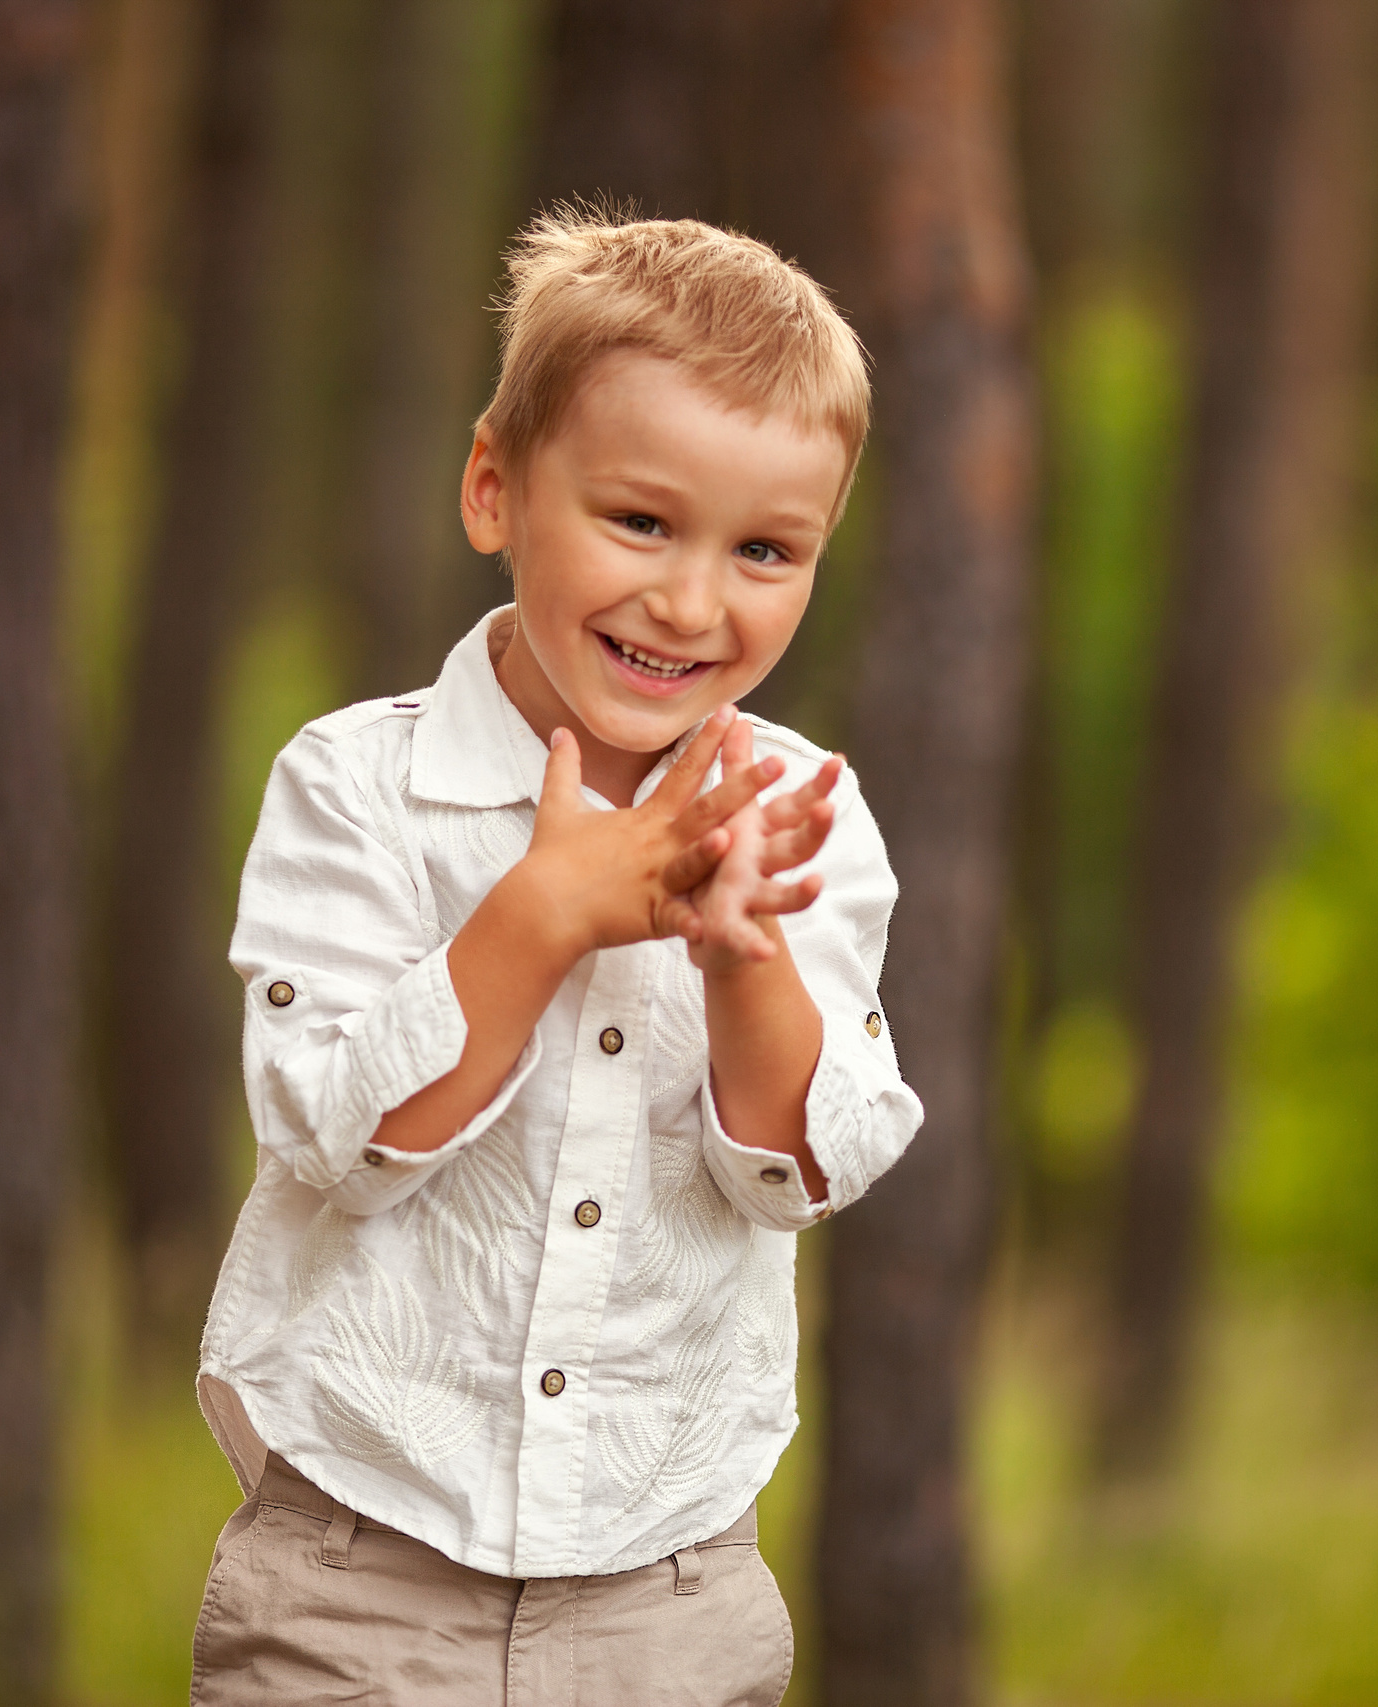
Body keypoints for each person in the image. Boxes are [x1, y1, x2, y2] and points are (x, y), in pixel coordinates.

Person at [189, 213, 924, 1706]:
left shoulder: (801, 824)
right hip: (362, 1567)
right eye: (642, 522)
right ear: (493, 488)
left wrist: (743, 961)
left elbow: (803, 1166)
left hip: (670, 1583)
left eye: (765, 550)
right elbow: (343, 1136)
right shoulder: (354, 788)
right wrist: (544, 913)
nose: (691, 601)